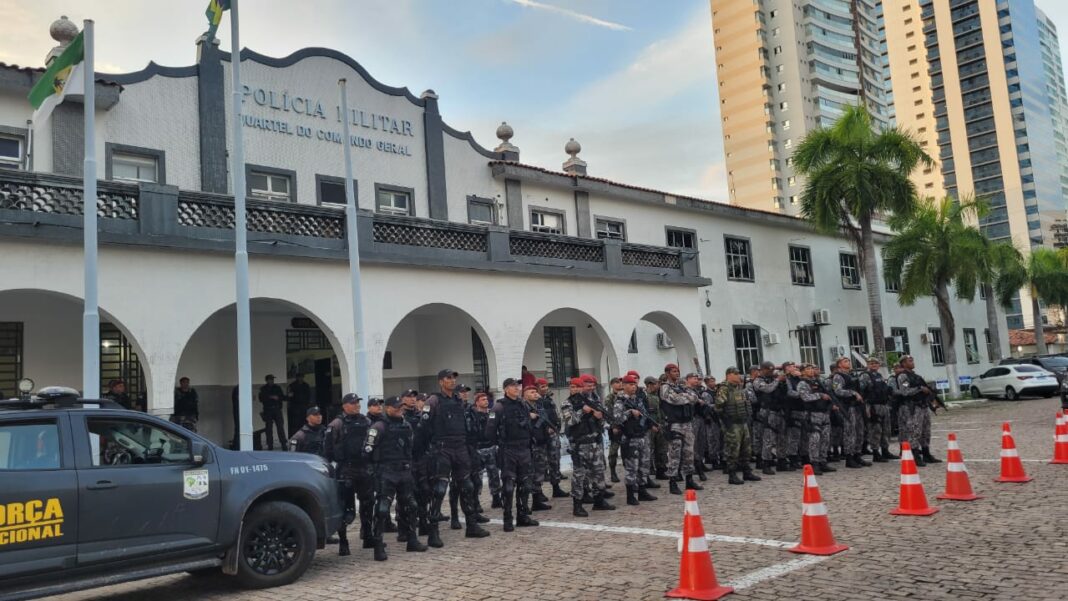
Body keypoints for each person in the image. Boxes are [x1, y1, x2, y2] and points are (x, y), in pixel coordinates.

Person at [424, 369, 490, 544]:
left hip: (460, 448)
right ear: (440, 381)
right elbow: (424, 425)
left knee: (467, 486)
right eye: (448, 378)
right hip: (442, 448)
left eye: (454, 378)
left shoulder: (458, 400)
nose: (452, 381)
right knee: (439, 490)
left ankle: (472, 526)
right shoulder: (433, 400)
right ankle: (433, 532)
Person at [364, 396, 428, 561]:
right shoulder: (379, 426)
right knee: (383, 509)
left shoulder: (406, 425)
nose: (400, 409)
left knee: (412, 506)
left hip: (404, 471)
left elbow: (411, 447)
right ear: (388, 408)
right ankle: (378, 545)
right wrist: (374, 470)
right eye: (396, 407)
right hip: (386, 472)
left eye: (401, 407)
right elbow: (367, 451)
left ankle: (412, 540)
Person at [324, 393, 374, 556]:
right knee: (345, 507)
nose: (357, 406)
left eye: (358, 403)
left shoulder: (366, 421)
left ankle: (368, 536)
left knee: (368, 504)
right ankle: (343, 542)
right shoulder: (336, 424)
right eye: (353, 403)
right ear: (345, 406)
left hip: (364, 468)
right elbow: (328, 450)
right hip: (346, 469)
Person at [486, 378, 539, 531]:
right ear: (505, 389)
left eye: (518, 386)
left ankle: (523, 516)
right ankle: (507, 518)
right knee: (509, 487)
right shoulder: (498, 407)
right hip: (508, 450)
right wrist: (501, 444)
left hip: (524, 449)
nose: (516, 388)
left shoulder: (523, 404)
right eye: (513, 386)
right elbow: (489, 431)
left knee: (526, 484)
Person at [562, 377, 615, 516]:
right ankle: (577, 505)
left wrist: (599, 417)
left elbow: (601, 418)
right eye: (573, 387)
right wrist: (583, 411)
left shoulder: (591, 400)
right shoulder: (567, 403)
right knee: (579, 475)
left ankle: (599, 500)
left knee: (598, 472)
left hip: (594, 441)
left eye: (578, 387)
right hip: (580, 444)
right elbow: (570, 421)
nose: (576, 390)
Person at [613, 374, 658, 505]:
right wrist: (629, 413)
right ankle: (630, 495)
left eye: (634, 385)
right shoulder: (619, 401)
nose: (633, 387)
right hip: (630, 438)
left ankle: (642, 490)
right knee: (632, 468)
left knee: (644, 466)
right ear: (624, 386)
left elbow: (645, 414)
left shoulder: (637, 399)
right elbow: (616, 419)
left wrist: (651, 424)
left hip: (642, 436)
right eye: (631, 385)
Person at [716, 367, 762, 485]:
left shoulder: (740, 388)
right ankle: (732, 475)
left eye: (739, 374)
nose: (738, 376)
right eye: (736, 374)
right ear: (729, 375)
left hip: (742, 422)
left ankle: (747, 472)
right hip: (732, 424)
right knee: (733, 450)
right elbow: (718, 407)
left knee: (746, 449)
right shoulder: (724, 389)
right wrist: (726, 423)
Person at [660, 364, 701, 495]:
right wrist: (686, 397)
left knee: (689, 453)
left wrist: (685, 396)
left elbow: (694, 397)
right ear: (667, 373)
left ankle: (689, 480)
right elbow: (674, 400)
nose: (677, 373)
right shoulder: (665, 387)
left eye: (678, 371)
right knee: (674, 454)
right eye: (673, 371)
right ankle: (672, 482)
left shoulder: (681, 386)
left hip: (687, 423)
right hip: (675, 424)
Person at [895, 355, 941, 466]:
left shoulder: (916, 376)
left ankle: (926, 454)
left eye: (912, 360)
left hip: (922, 406)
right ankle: (915, 455)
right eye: (909, 361)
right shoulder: (903, 377)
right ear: (904, 364)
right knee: (914, 431)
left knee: (925, 430)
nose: (912, 362)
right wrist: (919, 389)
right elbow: (905, 391)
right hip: (912, 407)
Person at [831, 357, 871, 469]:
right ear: (839, 365)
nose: (848, 362)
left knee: (859, 432)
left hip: (858, 406)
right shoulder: (838, 376)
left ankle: (857, 455)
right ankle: (849, 457)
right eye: (845, 361)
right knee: (850, 432)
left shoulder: (851, 375)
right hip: (848, 408)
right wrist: (853, 393)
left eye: (848, 361)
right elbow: (838, 391)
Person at [797, 363, 836, 475]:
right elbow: (805, 397)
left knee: (825, 439)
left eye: (811, 369)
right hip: (812, 414)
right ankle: (814, 463)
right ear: (802, 372)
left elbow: (828, 393)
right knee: (815, 440)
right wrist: (819, 395)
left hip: (823, 413)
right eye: (807, 369)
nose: (811, 371)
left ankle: (823, 461)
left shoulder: (818, 381)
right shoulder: (802, 383)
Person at [859, 357, 898, 462]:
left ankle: (885, 450)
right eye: (871, 363)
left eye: (876, 363)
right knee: (875, 430)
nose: (874, 365)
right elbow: (861, 391)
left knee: (886, 429)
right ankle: (876, 453)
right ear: (867, 365)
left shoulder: (879, 376)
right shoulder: (865, 376)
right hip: (873, 405)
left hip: (883, 405)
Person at [751, 362, 787, 475]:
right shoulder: (758, 380)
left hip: (779, 410)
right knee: (768, 438)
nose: (771, 372)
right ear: (762, 369)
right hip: (767, 412)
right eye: (769, 370)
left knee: (782, 438)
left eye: (772, 370)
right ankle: (766, 463)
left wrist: (783, 380)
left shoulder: (775, 379)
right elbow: (767, 389)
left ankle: (782, 461)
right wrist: (777, 380)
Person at [468, 392, 502, 509]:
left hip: (491, 447)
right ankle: (476, 501)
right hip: (478, 448)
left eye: (486, 399)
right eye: (482, 399)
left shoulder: (491, 414)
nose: (486, 401)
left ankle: (496, 497)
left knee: (494, 474)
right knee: (477, 476)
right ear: (477, 402)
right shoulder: (473, 415)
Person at [536, 378, 569, 498]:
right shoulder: (535, 401)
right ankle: (538, 492)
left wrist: (557, 427)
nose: (545, 389)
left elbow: (556, 414)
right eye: (542, 386)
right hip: (541, 437)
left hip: (553, 434)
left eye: (546, 386)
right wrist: (546, 429)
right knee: (540, 464)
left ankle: (556, 487)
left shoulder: (549, 400)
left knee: (555, 461)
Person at [525, 385, 555, 511]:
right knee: (532, 473)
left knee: (540, 471)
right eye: (531, 392)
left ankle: (537, 498)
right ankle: (530, 501)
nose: (534, 394)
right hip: (531, 444)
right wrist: (528, 416)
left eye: (535, 392)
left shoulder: (538, 406)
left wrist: (548, 428)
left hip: (541, 442)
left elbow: (543, 421)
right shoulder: (523, 407)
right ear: (525, 395)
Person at [781, 362, 807, 470]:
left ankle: (803, 457)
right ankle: (793, 459)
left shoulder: (799, 379)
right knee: (794, 437)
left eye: (795, 366)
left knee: (803, 436)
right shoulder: (786, 379)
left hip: (803, 409)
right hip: (792, 410)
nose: (795, 368)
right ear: (786, 369)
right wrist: (802, 395)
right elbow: (789, 392)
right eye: (792, 366)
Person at [645, 376, 670, 480]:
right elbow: (645, 414)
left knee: (662, 449)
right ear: (650, 384)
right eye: (656, 384)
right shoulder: (644, 397)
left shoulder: (659, 395)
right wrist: (651, 425)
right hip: (650, 427)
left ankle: (661, 470)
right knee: (649, 449)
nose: (658, 386)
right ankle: (649, 471)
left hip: (661, 425)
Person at [604, 377, 625, 484]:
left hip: (625, 427)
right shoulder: (609, 398)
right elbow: (608, 414)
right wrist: (614, 426)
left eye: (621, 382)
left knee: (627, 450)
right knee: (613, 451)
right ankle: (613, 472)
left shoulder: (624, 396)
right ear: (612, 385)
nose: (619, 384)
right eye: (617, 382)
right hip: (615, 428)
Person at [258, 374, 286, 451]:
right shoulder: (263, 388)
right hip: (268, 410)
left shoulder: (277, 387)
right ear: (267, 380)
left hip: (277, 409)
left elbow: (282, 397)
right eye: (270, 379)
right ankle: (270, 446)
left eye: (272, 379)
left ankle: (284, 444)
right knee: (269, 429)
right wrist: (271, 397)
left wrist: (278, 397)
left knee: (280, 428)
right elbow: (261, 398)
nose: (272, 381)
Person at [287, 373, 312, 438]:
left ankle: (305, 435)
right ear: (296, 378)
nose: (300, 379)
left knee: (304, 421)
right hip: (295, 406)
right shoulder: (292, 385)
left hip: (304, 406)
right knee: (296, 423)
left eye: (302, 377)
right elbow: (289, 396)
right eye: (299, 377)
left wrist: (308, 404)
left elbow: (308, 395)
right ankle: (296, 436)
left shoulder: (306, 385)